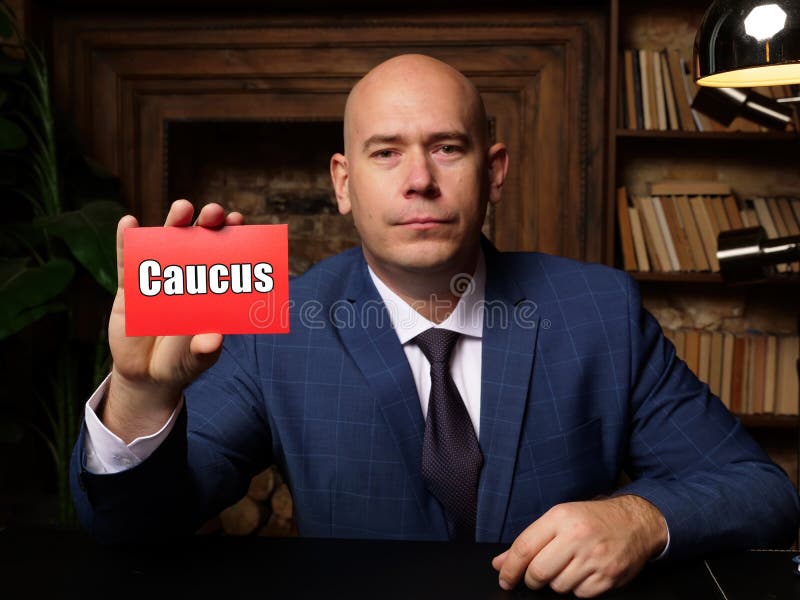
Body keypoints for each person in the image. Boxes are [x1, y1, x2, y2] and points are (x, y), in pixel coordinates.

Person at [70, 54, 800, 598]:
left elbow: (760, 490)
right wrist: (140, 396)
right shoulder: (277, 326)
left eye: (447, 147)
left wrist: (641, 520)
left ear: (495, 169)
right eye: (385, 152)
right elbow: (131, 531)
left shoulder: (597, 311)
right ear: (343, 184)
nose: (418, 178)